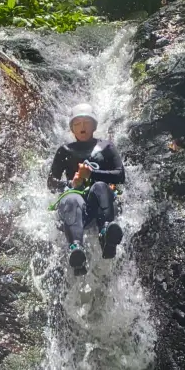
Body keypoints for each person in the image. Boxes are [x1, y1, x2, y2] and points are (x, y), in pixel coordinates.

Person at [47, 103, 125, 275]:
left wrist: (92, 174)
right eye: (77, 124)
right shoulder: (64, 150)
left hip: (100, 202)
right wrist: (70, 184)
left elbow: (120, 175)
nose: (82, 127)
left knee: (99, 186)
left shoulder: (107, 147)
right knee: (71, 197)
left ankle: (106, 232)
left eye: (86, 123)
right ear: (72, 129)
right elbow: (51, 182)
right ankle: (76, 249)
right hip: (76, 207)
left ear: (94, 126)